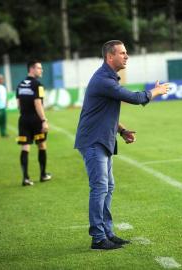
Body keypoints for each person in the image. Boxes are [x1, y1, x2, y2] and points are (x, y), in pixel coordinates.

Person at [74, 40, 170, 250]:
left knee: (108, 186)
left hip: (102, 138)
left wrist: (122, 130)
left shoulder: (107, 79)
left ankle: (107, 232)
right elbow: (135, 98)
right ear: (110, 57)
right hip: (93, 141)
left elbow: (103, 113)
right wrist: (156, 91)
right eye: (123, 53)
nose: (127, 56)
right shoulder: (103, 81)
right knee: (99, 187)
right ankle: (98, 238)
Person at [15, 60, 52, 186]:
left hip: (23, 119)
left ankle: (25, 178)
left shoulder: (20, 85)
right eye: (39, 68)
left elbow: (18, 105)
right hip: (36, 120)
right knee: (41, 145)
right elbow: (38, 104)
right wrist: (43, 120)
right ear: (31, 69)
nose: (42, 70)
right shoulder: (38, 85)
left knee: (25, 147)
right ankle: (43, 175)